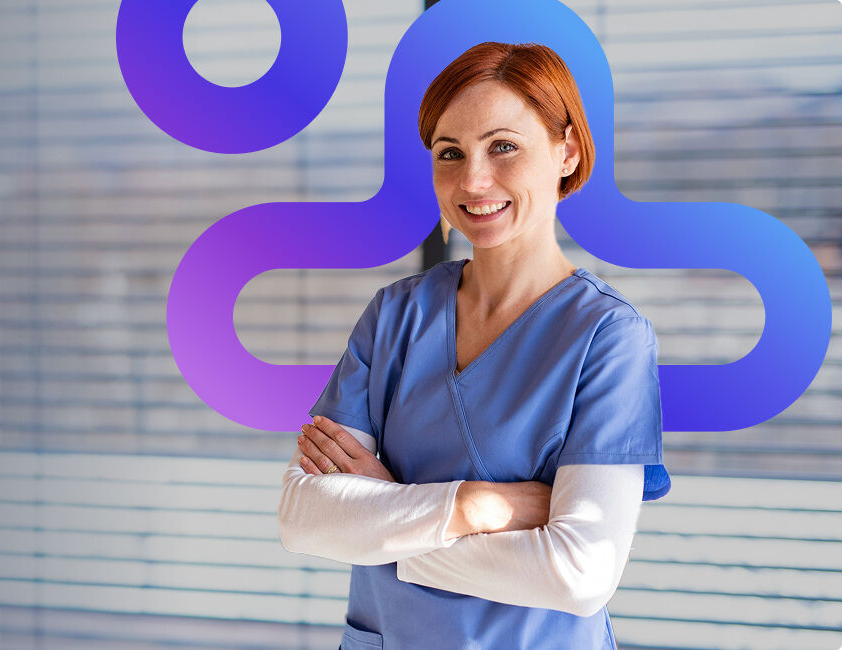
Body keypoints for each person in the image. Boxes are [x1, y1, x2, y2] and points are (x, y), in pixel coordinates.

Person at [276, 42, 670, 650]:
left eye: (503, 146)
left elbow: (580, 573)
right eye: (449, 153)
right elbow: (305, 516)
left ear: (566, 150)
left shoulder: (608, 337)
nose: (473, 180)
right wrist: (481, 507)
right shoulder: (396, 316)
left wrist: (387, 525)